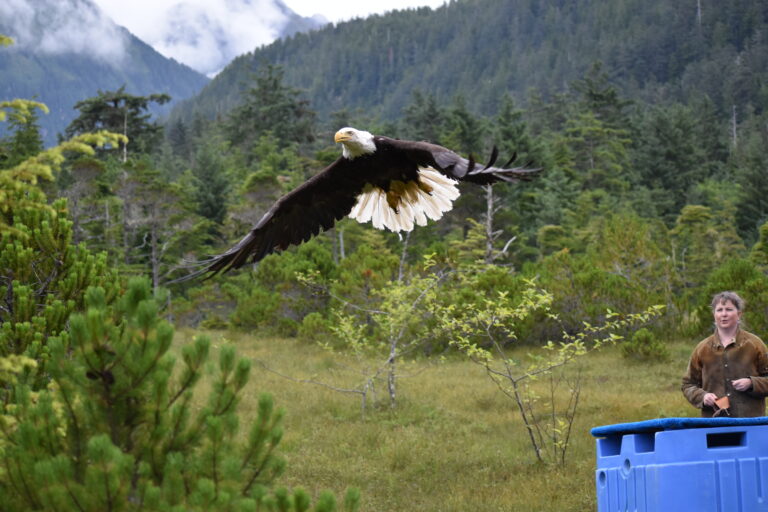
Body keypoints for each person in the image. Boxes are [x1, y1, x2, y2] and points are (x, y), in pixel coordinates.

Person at [682, 291, 768, 417]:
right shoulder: (702, 349)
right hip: (714, 424)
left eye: (729, 309)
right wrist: (703, 396)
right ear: (714, 315)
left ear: (739, 314)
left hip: (750, 423)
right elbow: (688, 385)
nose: (724, 314)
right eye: (719, 310)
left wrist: (751, 383)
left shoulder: (755, 344)